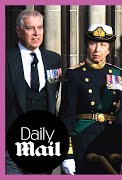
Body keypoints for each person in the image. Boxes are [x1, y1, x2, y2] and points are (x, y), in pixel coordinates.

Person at [59, 24, 122, 174]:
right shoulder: (75, 74)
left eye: (102, 45)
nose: (97, 49)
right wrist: (67, 153)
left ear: (109, 49)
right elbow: (66, 116)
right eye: (93, 44)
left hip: (110, 139)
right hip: (83, 139)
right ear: (87, 46)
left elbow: (121, 114)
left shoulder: (117, 74)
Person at [5, 9, 62, 174]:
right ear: (19, 31)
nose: (37, 33)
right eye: (31, 28)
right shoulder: (5, 59)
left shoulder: (54, 59)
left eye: (40, 27)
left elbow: (53, 97)